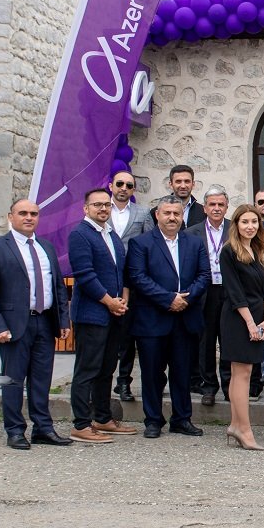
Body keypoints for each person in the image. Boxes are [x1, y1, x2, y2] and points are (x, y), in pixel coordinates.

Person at [0, 199, 72, 450]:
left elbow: (57, 286)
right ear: (11, 217)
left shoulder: (46, 247)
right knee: (13, 380)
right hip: (13, 325)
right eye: (23, 213)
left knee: (42, 379)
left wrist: (63, 319)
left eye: (33, 213)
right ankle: (15, 430)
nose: (29, 217)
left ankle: (43, 428)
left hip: (45, 321)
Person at [125, 195, 210, 439]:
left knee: (182, 372)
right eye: (167, 213)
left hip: (185, 317)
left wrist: (186, 299)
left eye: (176, 213)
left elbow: (204, 275)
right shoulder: (141, 243)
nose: (172, 217)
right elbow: (138, 277)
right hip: (152, 319)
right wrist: (168, 299)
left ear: (182, 216)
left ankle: (182, 419)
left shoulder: (194, 242)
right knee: (152, 373)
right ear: (157, 215)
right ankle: (153, 420)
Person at [68, 188, 133, 443]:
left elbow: (121, 272)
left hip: (114, 313)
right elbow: (85, 276)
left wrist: (123, 299)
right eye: (97, 205)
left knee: (107, 368)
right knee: (87, 369)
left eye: (106, 205)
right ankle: (81, 424)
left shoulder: (110, 234)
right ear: (86, 208)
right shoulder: (80, 235)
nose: (103, 209)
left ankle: (103, 418)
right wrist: (109, 302)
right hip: (92, 314)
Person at [218, 204, 264, 451]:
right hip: (238, 319)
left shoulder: (257, 250)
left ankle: (235, 425)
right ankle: (244, 430)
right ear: (236, 225)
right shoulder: (229, 251)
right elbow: (234, 291)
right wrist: (250, 323)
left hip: (258, 318)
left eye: (254, 222)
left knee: (244, 373)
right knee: (241, 373)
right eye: (245, 222)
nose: (250, 226)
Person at [109, 170, 153, 404]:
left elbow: (149, 244)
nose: (123, 188)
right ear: (111, 186)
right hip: (107, 281)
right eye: (120, 184)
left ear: (133, 189)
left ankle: (124, 381)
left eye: (128, 185)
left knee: (128, 336)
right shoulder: (102, 210)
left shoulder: (142, 213)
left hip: (134, 283)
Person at [186, 187, 230, 406]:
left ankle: (229, 386)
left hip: (229, 291)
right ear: (204, 208)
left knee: (228, 339)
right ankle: (209, 387)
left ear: (226, 207)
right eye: (212, 204)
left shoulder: (235, 228)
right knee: (206, 342)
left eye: (220, 204)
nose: (216, 208)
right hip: (205, 291)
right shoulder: (191, 233)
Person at [149, 164, 205, 228]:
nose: (183, 186)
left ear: (193, 184)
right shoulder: (156, 212)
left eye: (187, 181)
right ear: (171, 184)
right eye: (178, 181)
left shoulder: (203, 212)